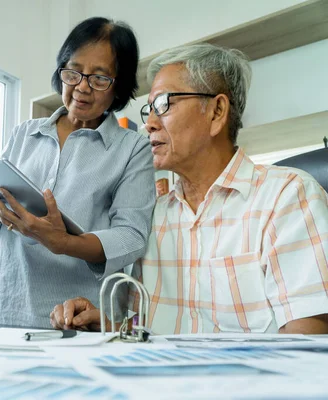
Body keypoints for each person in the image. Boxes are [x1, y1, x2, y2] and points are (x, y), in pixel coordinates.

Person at [51, 43, 328, 334]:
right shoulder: (153, 216)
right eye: (149, 110)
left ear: (217, 111)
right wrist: (109, 325)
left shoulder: (287, 196)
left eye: (164, 105)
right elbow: (145, 328)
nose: (149, 125)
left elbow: (305, 342)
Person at [0, 17, 156, 328]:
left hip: (74, 320)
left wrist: (62, 242)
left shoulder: (133, 148)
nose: (82, 87)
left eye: (99, 79)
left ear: (118, 86)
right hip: (0, 308)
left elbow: (131, 236)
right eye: (73, 72)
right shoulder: (24, 134)